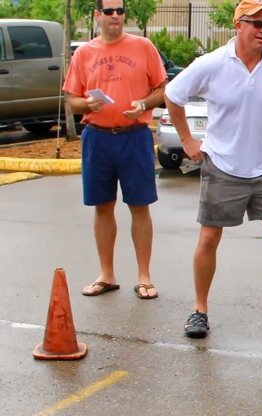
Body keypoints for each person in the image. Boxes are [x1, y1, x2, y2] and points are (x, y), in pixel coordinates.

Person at [164, 0, 262, 340]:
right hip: (222, 164)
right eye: (256, 23)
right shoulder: (212, 64)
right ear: (238, 25)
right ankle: (199, 310)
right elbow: (172, 95)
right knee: (209, 237)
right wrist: (187, 139)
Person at [63, 0, 167, 300]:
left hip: (134, 137)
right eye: (108, 11)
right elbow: (72, 99)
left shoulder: (143, 46)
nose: (115, 16)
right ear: (97, 15)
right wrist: (87, 104)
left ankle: (144, 276)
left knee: (139, 206)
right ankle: (106, 274)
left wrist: (144, 104)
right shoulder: (84, 53)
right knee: (103, 205)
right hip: (98, 137)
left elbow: (162, 88)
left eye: (119, 11)